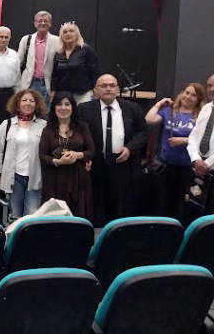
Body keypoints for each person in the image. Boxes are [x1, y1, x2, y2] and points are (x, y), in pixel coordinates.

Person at [78, 74, 148, 225]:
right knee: (96, 208)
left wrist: (129, 149)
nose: (108, 88)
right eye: (103, 86)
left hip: (123, 165)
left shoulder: (132, 108)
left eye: (112, 85)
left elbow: (142, 133)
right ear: (96, 90)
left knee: (121, 209)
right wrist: (85, 156)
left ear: (117, 89)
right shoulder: (84, 109)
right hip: (95, 166)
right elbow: (78, 135)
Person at [146, 83, 205, 220]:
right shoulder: (169, 111)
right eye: (186, 92)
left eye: (193, 95)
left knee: (183, 205)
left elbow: (204, 140)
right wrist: (159, 104)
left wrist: (184, 140)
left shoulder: (201, 116)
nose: (188, 97)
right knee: (163, 203)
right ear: (182, 93)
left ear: (198, 100)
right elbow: (149, 119)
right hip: (166, 166)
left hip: (188, 168)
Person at [0, 89, 49, 221]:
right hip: (13, 177)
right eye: (24, 100)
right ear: (17, 104)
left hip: (35, 177)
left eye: (32, 101)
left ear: (37, 104)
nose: (28, 103)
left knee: (32, 215)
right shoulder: (7, 124)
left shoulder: (44, 125)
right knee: (15, 216)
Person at [39, 91, 96, 219]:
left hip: (78, 177)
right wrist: (58, 162)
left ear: (73, 107)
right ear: (54, 108)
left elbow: (92, 151)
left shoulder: (82, 127)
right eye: (59, 104)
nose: (63, 108)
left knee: (78, 215)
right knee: (56, 216)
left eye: (67, 104)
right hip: (55, 179)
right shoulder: (48, 129)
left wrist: (77, 155)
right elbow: (42, 156)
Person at [51, 22, 99, 105]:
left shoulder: (86, 50)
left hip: (83, 93)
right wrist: (53, 91)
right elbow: (55, 75)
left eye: (71, 31)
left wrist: (96, 89)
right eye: (65, 32)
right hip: (63, 94)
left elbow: (95, 72)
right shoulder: (58, 53)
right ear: (61, 36)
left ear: (77, 34)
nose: (68, 34)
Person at [18, 11, 60, 102]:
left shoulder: (57, 41)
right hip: (29, 83)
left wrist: (54, 89)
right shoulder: (26, 40)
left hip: (48, 85)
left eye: (45, 21)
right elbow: (18, 62)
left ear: (50, 23)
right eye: (40, 21)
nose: (43, 23)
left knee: (46, 110)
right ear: (35, 23)